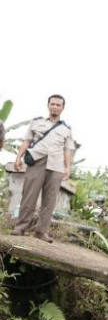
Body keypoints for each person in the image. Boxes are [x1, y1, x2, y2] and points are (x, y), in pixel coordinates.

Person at [11, 94, 75, 243]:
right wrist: (18, 157)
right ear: (48, 106)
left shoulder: (66, 129)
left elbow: (67, 149)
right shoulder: (36, 122)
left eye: (58, 105)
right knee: (29, 195)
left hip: (56, 165)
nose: (55, 107)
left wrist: (67, 168)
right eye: (52, 104)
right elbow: (26, 141)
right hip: (37, 162)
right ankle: (21, 227)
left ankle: (41, 231)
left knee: (50, 200)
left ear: (63, 108)